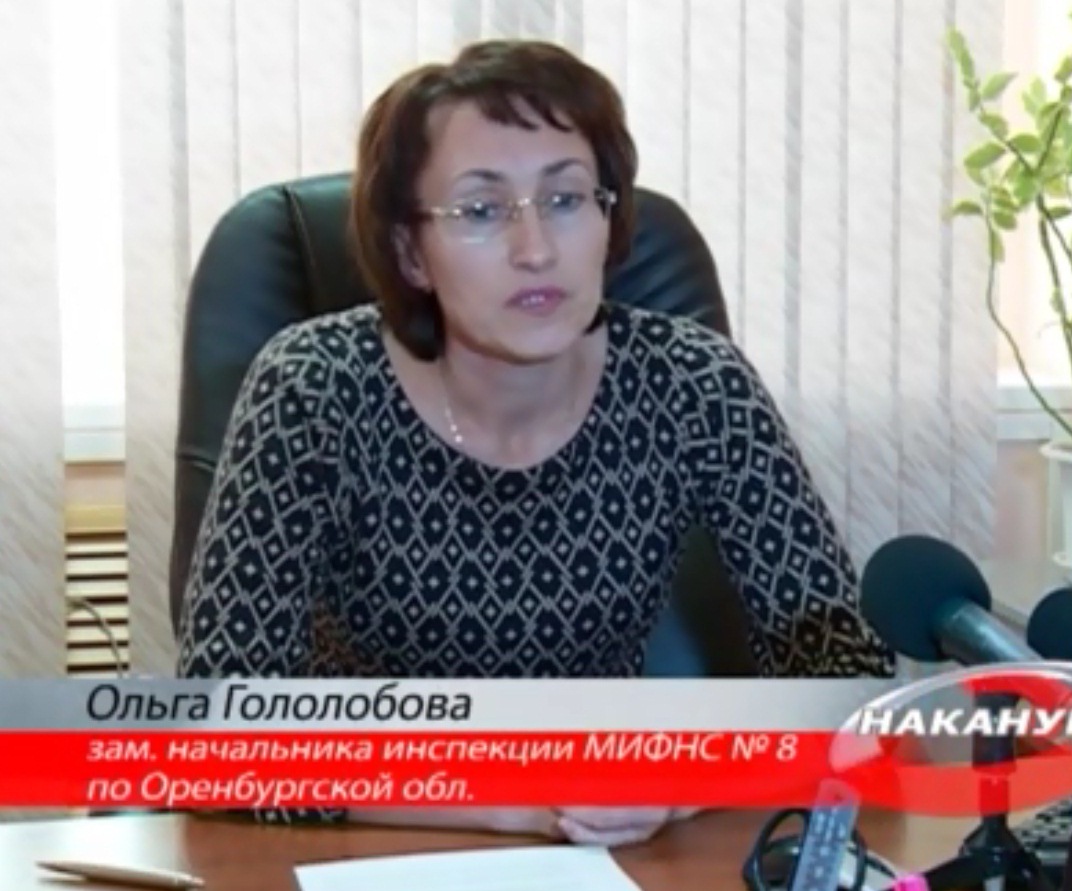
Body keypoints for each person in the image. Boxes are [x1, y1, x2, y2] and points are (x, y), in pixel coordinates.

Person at [176, 38, 894, 845]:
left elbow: (847, 675)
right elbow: (213, 728)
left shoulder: (692, 381)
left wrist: (683, 783)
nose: (537, 250)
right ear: (411, 251)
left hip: (617, 848)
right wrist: (513, 803)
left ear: (609, 219)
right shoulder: (314, 388)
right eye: (481, 211)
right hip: (367, 844)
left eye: (565, 198)